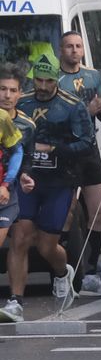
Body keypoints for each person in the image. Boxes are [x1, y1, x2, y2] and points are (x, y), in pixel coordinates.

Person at [10, 50, 94, 310]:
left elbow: (87, 144)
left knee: (47, 246)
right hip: (28, 179)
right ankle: (16, 301)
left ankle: (62, 272)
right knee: (21, 236)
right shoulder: (21, 103)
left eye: (49, 81)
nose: (43, 87)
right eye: (39, 81)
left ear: (56, 79)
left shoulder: (72, 105)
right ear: (33, 79)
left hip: (59, 181)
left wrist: (55, 149)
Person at [56, 30, 101, 294]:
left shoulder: (94, 76)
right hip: (66, 152)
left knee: (99, 212)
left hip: (90, 151)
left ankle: (90, 271)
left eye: (78, 46)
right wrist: (84, 111)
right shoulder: (54, 79)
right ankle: (63, 272)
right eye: (69, 46)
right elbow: (53, 118)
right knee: (66, 213)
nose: (74, 50)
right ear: (61, 50)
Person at [0, 64, 34, 322]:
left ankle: (16, 300)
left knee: (20, 240)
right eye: (2, 89)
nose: (7, 95)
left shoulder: (27, 124)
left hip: (19, 189)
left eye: (12, 90)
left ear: (20, 94)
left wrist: (23, 176)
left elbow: (28, 157)